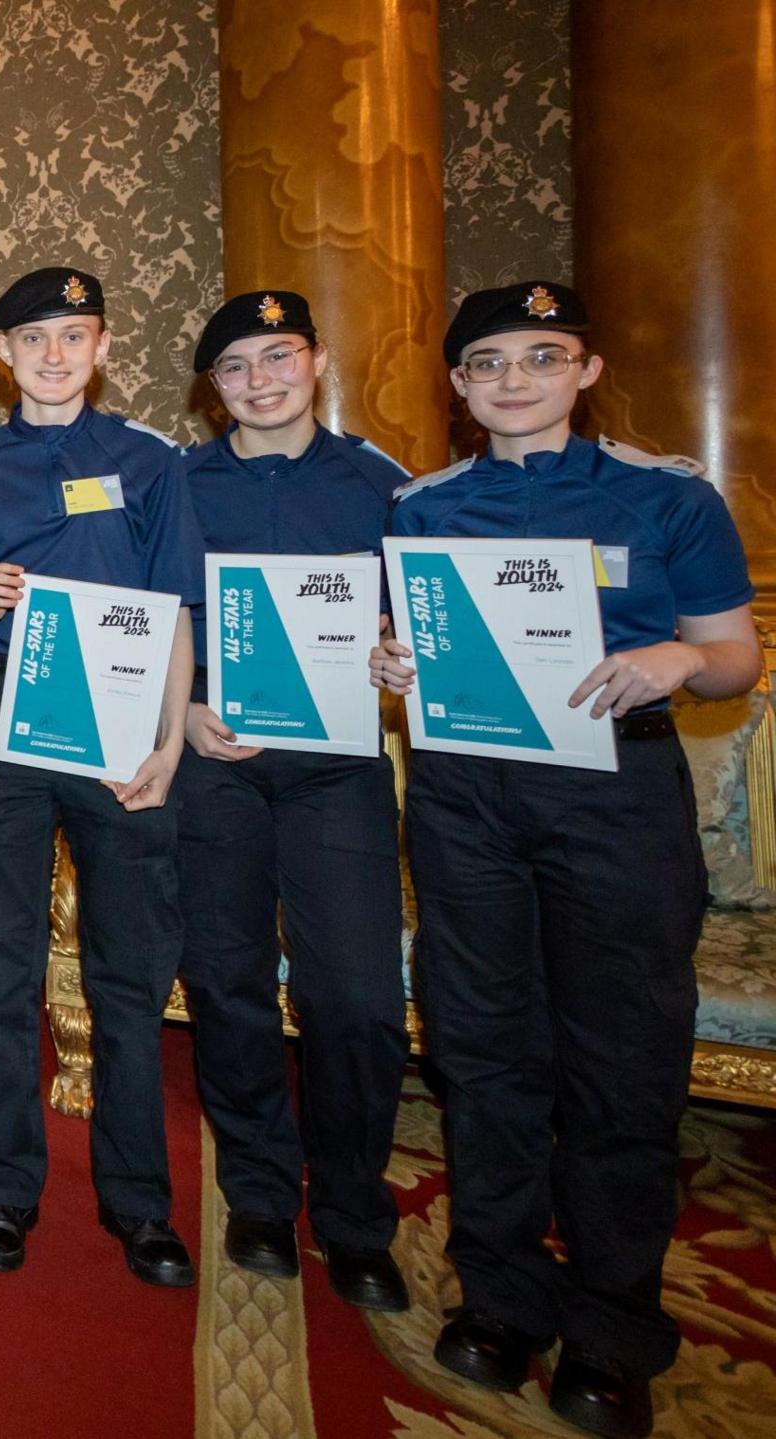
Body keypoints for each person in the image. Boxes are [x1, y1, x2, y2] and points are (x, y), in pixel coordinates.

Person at [370, 280, 758, 1439]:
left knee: (619, 1058)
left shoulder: (665, 495)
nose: (512, 380)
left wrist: (675, 665)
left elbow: (734, 654)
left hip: (616, 795)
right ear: (458, 384)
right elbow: (408, 642)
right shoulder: (422, 506)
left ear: (584, 370)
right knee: (484, 1053)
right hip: (465, 797)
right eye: (486, 362)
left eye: (541, 356)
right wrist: (393, 660)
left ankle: (611, 1325)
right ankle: (497, 1295)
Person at [0, 264, 204, 1288]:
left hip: (124, 714)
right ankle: (5, 1188)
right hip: (4, 713)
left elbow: (176, 609)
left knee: (126, 969)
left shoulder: (149, 460)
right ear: (1, 354)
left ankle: (139, 1202)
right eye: (31, 337)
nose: (52, 353)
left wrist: (170, 742)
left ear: (100, 346)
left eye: (72, 335)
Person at [176, 290, 411, 1313]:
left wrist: (398, 660)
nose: (259, 380)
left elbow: (430, 625)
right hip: (215, 767)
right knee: (225, 983)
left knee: (354, 997)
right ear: (212, 387)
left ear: (316, 360)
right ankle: (259, 1190)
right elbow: (152, 622)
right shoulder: (175, 487)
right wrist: (182, 713)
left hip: (336, 771)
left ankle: (355, 1212)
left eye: (278, 356)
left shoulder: (387, 487)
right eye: (235, 366)